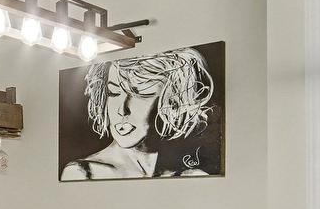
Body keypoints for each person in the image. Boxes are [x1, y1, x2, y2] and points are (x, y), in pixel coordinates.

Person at [61, 47, 215, 181]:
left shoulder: (190, 175)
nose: (122, 109)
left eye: (141, 94)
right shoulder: (84, 173)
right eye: (113, 93)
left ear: (173, 101)